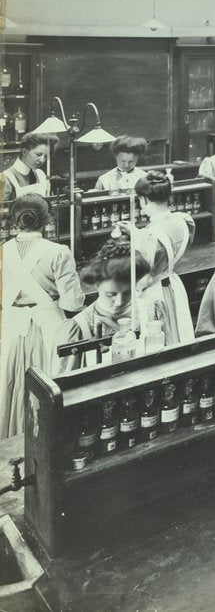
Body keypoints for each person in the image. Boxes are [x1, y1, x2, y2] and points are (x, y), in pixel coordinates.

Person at [1, 194, 85, 435]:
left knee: (11, 384)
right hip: (48, 327)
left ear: (14, 220)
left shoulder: (3, 251)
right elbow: (73, 302)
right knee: (49, 387)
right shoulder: (57, 252)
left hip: (12, 328)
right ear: (47, 219)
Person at [123, 170, 196, 346]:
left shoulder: (149, 236)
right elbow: (165, 247)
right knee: (177, 334)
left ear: (144, 199)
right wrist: (137, 233)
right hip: (172, 285)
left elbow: (143, 281)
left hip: (154, 294)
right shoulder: (184, 221)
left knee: (156, 341)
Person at [61, 236, 152, 371]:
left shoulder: (148, 311)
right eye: (111, 294)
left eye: (127, 293)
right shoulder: (79, 328)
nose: (119, 302)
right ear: (97, 284)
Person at [2, 133, 51, 202]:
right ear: (24, 151)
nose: (42, 160)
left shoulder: (40, 174)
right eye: (38, 154)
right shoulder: (6, 178)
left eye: (45, 156)